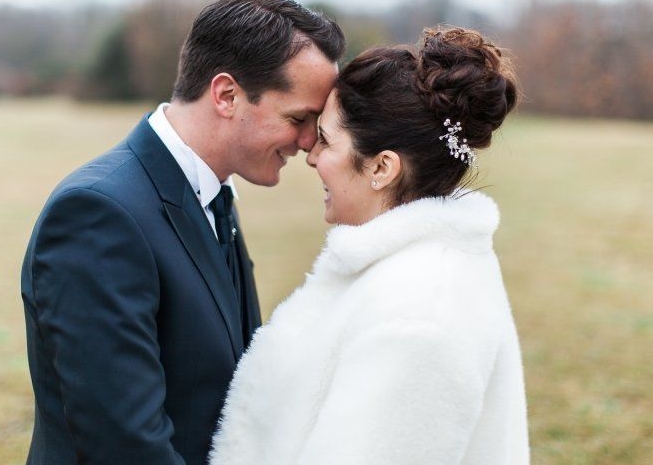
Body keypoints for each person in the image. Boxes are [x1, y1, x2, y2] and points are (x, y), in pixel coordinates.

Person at [20, 0, 345, 464]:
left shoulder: (213, 196)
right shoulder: (98, 215)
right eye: (299, 118)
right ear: (227, 95)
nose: (309, 141)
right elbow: (124, 444)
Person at [210, 27, 529, 464]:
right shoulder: (413, 272)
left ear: (381, 167)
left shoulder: (417, 316)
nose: (311, 154)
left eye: (326, 138)